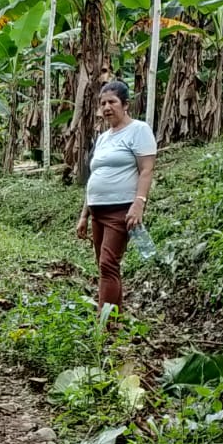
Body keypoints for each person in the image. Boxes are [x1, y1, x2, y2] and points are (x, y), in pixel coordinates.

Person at [76, 79, 157, 310]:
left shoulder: (138, 130)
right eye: (103, 103)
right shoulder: (103, 137)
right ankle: (115, 319)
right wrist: (84, 215)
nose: (107, 107)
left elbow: (146, 170)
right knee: (105, 266)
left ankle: (106, 322)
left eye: (112, 102)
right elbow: (95, 176)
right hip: (97, 210)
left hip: (120, 209)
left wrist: (139, 203)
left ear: (126, 104)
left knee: (108, 263)